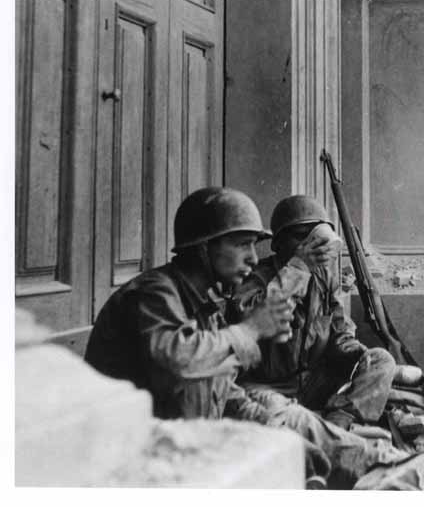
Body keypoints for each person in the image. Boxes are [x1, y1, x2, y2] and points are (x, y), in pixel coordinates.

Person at [85, 187, 399, 487]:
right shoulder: (153, 294)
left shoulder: (205, 306)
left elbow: (226, 393)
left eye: (254, 245)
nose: (251, 257)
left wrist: (278, 435)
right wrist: (251, 329)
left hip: (183, 445)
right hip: (133, 460)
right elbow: (179, 360)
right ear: (204, 247)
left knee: (320, 445)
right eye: (242, 244)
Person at [233, 194, 396, 432]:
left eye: (316, 235)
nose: (311, 243)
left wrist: (353, 350)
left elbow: (339, 328)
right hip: (267, 385)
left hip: (311, 381)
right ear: (277, 244)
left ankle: (340, 419)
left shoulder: (323, 279)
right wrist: (298, 268)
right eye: (301, 236)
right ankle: (320, 431)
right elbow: (248, 315)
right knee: (266, 410)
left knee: (382, 360)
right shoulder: (255, 277)